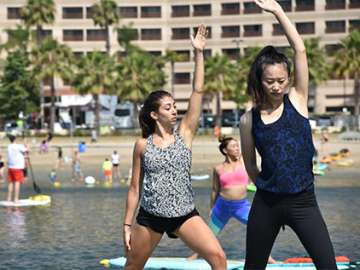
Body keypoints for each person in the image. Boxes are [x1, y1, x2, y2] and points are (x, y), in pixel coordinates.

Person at [239, 1, 337, 269]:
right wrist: (266, 185)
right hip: (267, 204)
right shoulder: (249, 119)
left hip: (303, 202)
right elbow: (249, 164)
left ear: (288, 79)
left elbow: (300, 49)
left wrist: (278, 12)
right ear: (259, 80)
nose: (276, 86)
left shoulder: (297, 100)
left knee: (328, 266)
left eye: (281, 80)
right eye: (270, 81)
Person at [123, 25, 227, 270]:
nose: (174, 110)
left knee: (219, 258)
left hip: (184, 214)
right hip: (150, 217)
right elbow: (134, 188)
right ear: (154, 114)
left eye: (174, 106)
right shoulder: (142, 145)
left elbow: (198, 91)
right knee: (132, 267)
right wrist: (127, 226)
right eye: (168, 107)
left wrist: (199, 53)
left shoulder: (185, 134)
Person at [188, 137, 276, 263]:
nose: (237, 148)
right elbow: (214, 190)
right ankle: (196, 255)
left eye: (237, 146)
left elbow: (259, 181)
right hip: (222, 205)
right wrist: (212, 208)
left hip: (241, 206)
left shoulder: (246, 164)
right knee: (210, 233)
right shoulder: (218, 168)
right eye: (233, 146)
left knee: (259, 227)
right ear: (225, 150)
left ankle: (267, 257)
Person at [6, 135, 27, 203]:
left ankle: (9, 199)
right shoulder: (19, 146)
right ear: (15, 139)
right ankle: (16, 199)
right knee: (17, 183)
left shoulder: (9, 146)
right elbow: (27, 150)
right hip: (17, 168)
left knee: (10, 183)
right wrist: (25, 143)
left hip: (10, 167)